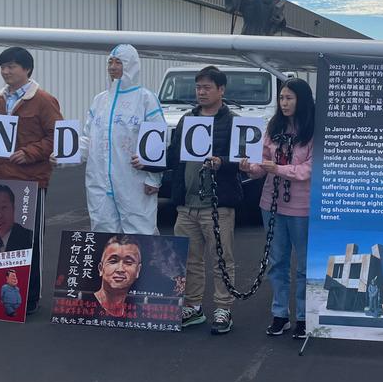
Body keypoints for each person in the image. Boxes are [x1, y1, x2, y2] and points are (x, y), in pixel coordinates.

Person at [0, 46, 61, 314]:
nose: (6, 71)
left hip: (30, 181)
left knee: (29, 241)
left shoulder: (44, 100)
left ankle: (30, 297)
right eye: (3, 66)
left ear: (27, 69)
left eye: (12, 66)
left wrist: (29, 152)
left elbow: (56, 137)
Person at [166, 65, 243, 334]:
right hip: (186, 204)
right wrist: (147, 161)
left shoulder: (233, 122)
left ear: (221, 90)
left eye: (207, 87)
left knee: (222, 259)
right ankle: (193, 306)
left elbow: (245, 160)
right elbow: (173, 156)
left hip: (217, 204)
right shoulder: (186, 120)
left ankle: (223, 309)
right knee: (190, 259)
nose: (201, 92)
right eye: (198, 87)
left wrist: (222, 162)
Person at [239, 78, 315, 339]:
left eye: (289, 98)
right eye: (282, 98)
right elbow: (263, 163)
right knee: (277, 261)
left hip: (302, 207)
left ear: (302, 100)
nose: (284, 103)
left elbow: (309, 169)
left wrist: (278, 169)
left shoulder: (314, 130)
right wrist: (251, 168)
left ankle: (305, 316)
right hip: (271, 204)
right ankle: (280, 313)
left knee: (304, 265)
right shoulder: (273, 128)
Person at [84, 44, 164, 235]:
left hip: (133, 182)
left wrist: (154, 178)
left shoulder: (146, 99)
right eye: (110, 62)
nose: (112, 67)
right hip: (100, 181)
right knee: (104, 234)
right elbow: (89, 138)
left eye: (119, 62)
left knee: (140, 231)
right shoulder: (100, 100)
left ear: (131, 65)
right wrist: (66, 153)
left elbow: (156, 141)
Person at [91, 234, 143, 318]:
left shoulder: (139, 313)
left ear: (138, 270)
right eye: (113, 261)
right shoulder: (80, 306)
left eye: (128, 262)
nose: (120, 269)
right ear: (101, 268)